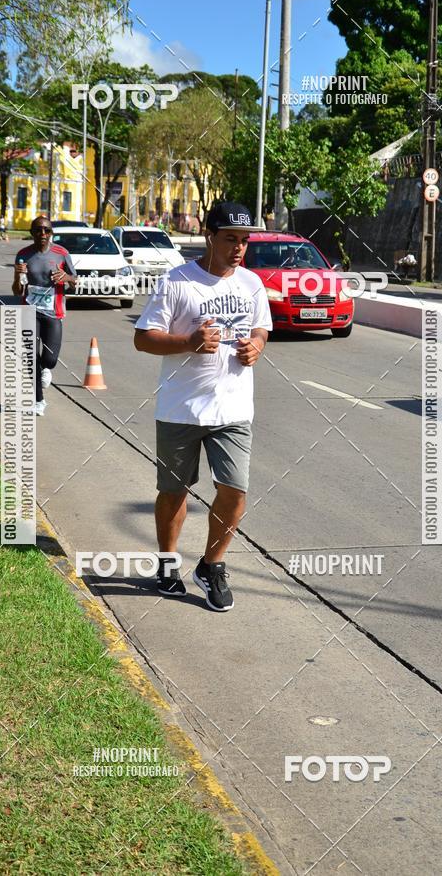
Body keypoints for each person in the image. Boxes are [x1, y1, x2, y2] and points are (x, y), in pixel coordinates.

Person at [134, 202, 272, 612]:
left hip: (233, 410)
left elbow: (262, 326)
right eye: (231, 238)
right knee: (174, 491)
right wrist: (187, 343)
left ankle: (212, 565)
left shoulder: (251, 284)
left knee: (235, 491)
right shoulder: (176, 282)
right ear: (209, 236)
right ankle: (167, 562)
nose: (239, 248)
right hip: (181, 409)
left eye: (245, 241)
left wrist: (257, 346)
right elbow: (144, 338)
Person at [11, 216, 76, 416]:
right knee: (30, 357)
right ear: (32, 233)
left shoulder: (61, 254)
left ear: (51, 233)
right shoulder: (23, 255)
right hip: (29, 311)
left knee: (49, 359)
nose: (42, 234)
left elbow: (75, 281)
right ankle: (38, 401)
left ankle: (46, 368)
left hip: (53, 312)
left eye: (47, 230)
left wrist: (67, 278)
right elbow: (16, 291)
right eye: (38, 230)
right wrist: (17, 275)